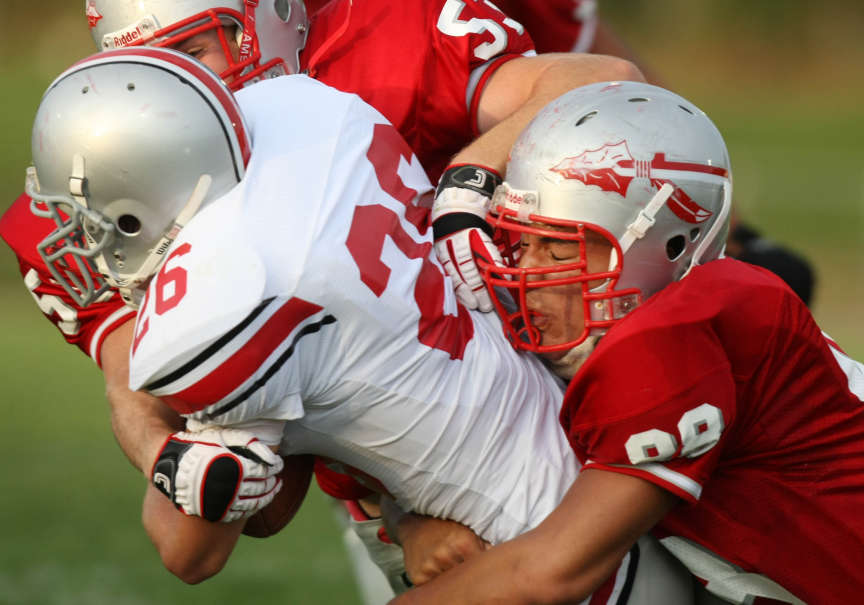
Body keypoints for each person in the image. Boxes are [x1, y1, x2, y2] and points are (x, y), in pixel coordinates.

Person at [1, 1, 643, 591]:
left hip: (551, 355)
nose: (187, 92)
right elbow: (149, 397)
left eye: (194, 55)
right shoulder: (119, 151)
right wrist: (173, 461)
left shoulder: (375, 39)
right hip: (394, 464)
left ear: (266, 19)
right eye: (154, 69)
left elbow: (600, 83)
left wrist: (463, 190)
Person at [389, 81, 864, 605]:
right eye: (523, 240)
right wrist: (407, 522)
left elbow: (546, 573)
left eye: (558, 248)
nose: (525, 269)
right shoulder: (646, 317)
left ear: (669, 240)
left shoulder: (674, 335)